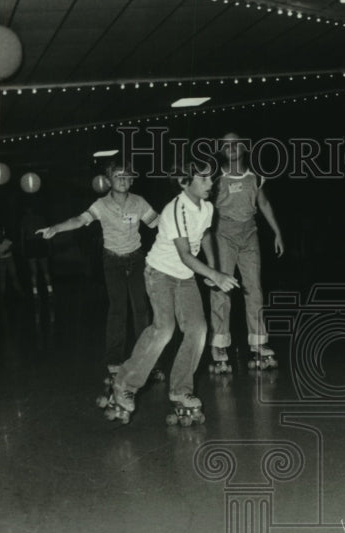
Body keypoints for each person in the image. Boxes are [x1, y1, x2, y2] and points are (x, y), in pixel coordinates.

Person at [104, 161, 239, 424]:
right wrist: (214, 275)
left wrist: (212, 267)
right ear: (185, 182)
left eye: (211, 179)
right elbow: (186, 255)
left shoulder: (208, 207)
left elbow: (206, 235)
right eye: (204, 179)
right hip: (160, 273)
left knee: (198, 330)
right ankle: (124, 384)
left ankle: (180, 391)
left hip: (186, 277)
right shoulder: (175, 210)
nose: (211, 184)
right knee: (164, 328)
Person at [37, 161, 159, 378]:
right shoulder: (101, 205)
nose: (122, 179)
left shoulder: (139, 202)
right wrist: (56, 228)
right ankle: (114, 360)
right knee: (117, 309)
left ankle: (147, 360)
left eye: (126, 176)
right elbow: (80, 219)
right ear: (109, 180)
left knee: (141, 309)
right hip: (112, 261)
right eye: (117, 176)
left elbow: (158, 224)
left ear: (132, 179)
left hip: (137, 258)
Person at [209, 132, 285, 373]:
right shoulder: (215, 178)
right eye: (226, 145)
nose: (231, 147)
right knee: (222, 288)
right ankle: (219, 345)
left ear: (243, 148)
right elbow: (205, 208)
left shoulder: (256, 176)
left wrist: (277, 232)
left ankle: (259, 342)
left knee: (254, 288)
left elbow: (263, 204)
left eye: (235, 143)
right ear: (221, 150)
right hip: (223, 233)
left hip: (249, 234)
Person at [20, 204, 53, 298]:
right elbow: (47, 232)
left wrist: (23, 249)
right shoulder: (39, 218)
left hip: (32, 244)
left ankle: (35, 293)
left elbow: (22, 235)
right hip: (39, 244)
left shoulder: (24, 219)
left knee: (34, 272)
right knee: (45, 271)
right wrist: (49, 246)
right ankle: (49, 291)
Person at [0, 226, 23, 297]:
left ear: (2, 235)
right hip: (1, 261)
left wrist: (6, 251)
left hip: (9, 259)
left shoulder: (7, 241)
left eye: (0, 234)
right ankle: (2, 294)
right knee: (2, 278)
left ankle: (20, 291)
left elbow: (12, 247)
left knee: (14, 276)